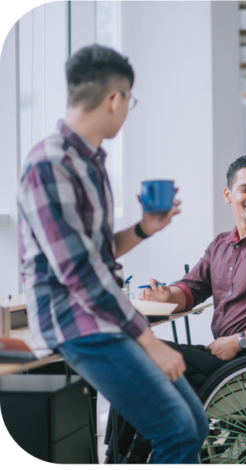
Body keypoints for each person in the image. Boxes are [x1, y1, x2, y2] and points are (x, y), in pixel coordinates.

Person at [16, 44, 205, 465]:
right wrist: (149, 341)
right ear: (115, 99)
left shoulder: (90, 163)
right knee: (176, 429)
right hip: (75, 322)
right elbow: (79, 272)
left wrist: (143, 229)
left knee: (194, 423)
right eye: (129, 102)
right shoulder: (49, 164)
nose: (126, 110)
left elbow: (96, 251)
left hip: (101, 316)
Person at [114, 153, 246, 462]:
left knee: (144, 355)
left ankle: (130, 460)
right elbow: (191, 290)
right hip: (221, 359)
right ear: (228, 195)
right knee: (132, 357)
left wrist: (240, 341)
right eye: (245, 189)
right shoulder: (221, 245)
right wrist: (165, 295)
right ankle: (118, 457)